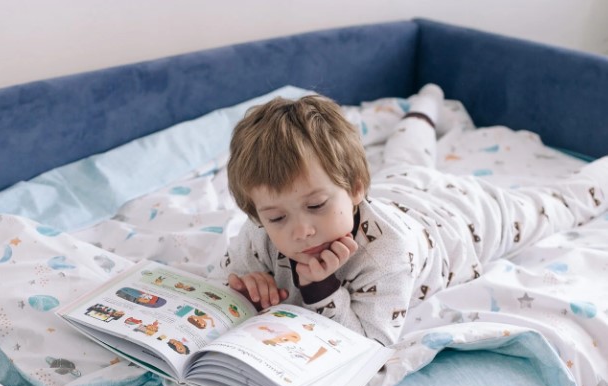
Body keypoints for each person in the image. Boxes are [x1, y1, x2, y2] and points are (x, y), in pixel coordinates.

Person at [212, 85, 608, 345]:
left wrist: (321, 289)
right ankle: (425, 105)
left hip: (460, 219)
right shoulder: (261, 228)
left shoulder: (388, 253)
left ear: (355, 190)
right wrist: (246, 284)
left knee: (559, 205)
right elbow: (222, 279)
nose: (301, 230)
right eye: (276, 218)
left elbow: (367, 344)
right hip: (398, 188)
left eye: (316, 206)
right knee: (405, 160)